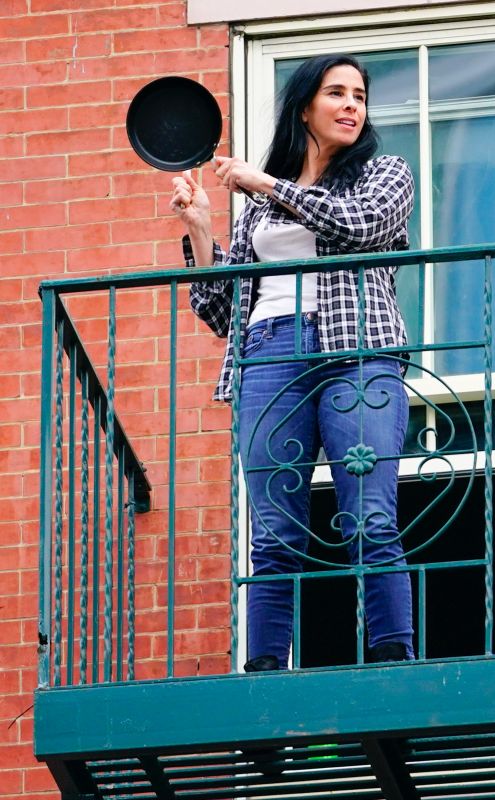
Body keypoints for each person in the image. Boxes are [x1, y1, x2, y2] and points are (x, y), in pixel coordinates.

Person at [170, 54, 415, 671]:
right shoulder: (257, 206)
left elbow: (361, 226)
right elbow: (223, 308)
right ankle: (266, 671)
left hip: (354, 348)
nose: (352, 105)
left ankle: (392, 656)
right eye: (336, 92)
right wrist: (202, 230)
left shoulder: (384, 173)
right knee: (274, 533)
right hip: (269, 350)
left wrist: (268, 185)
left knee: (369, 516)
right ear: (305, 106)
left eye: (360, 94)